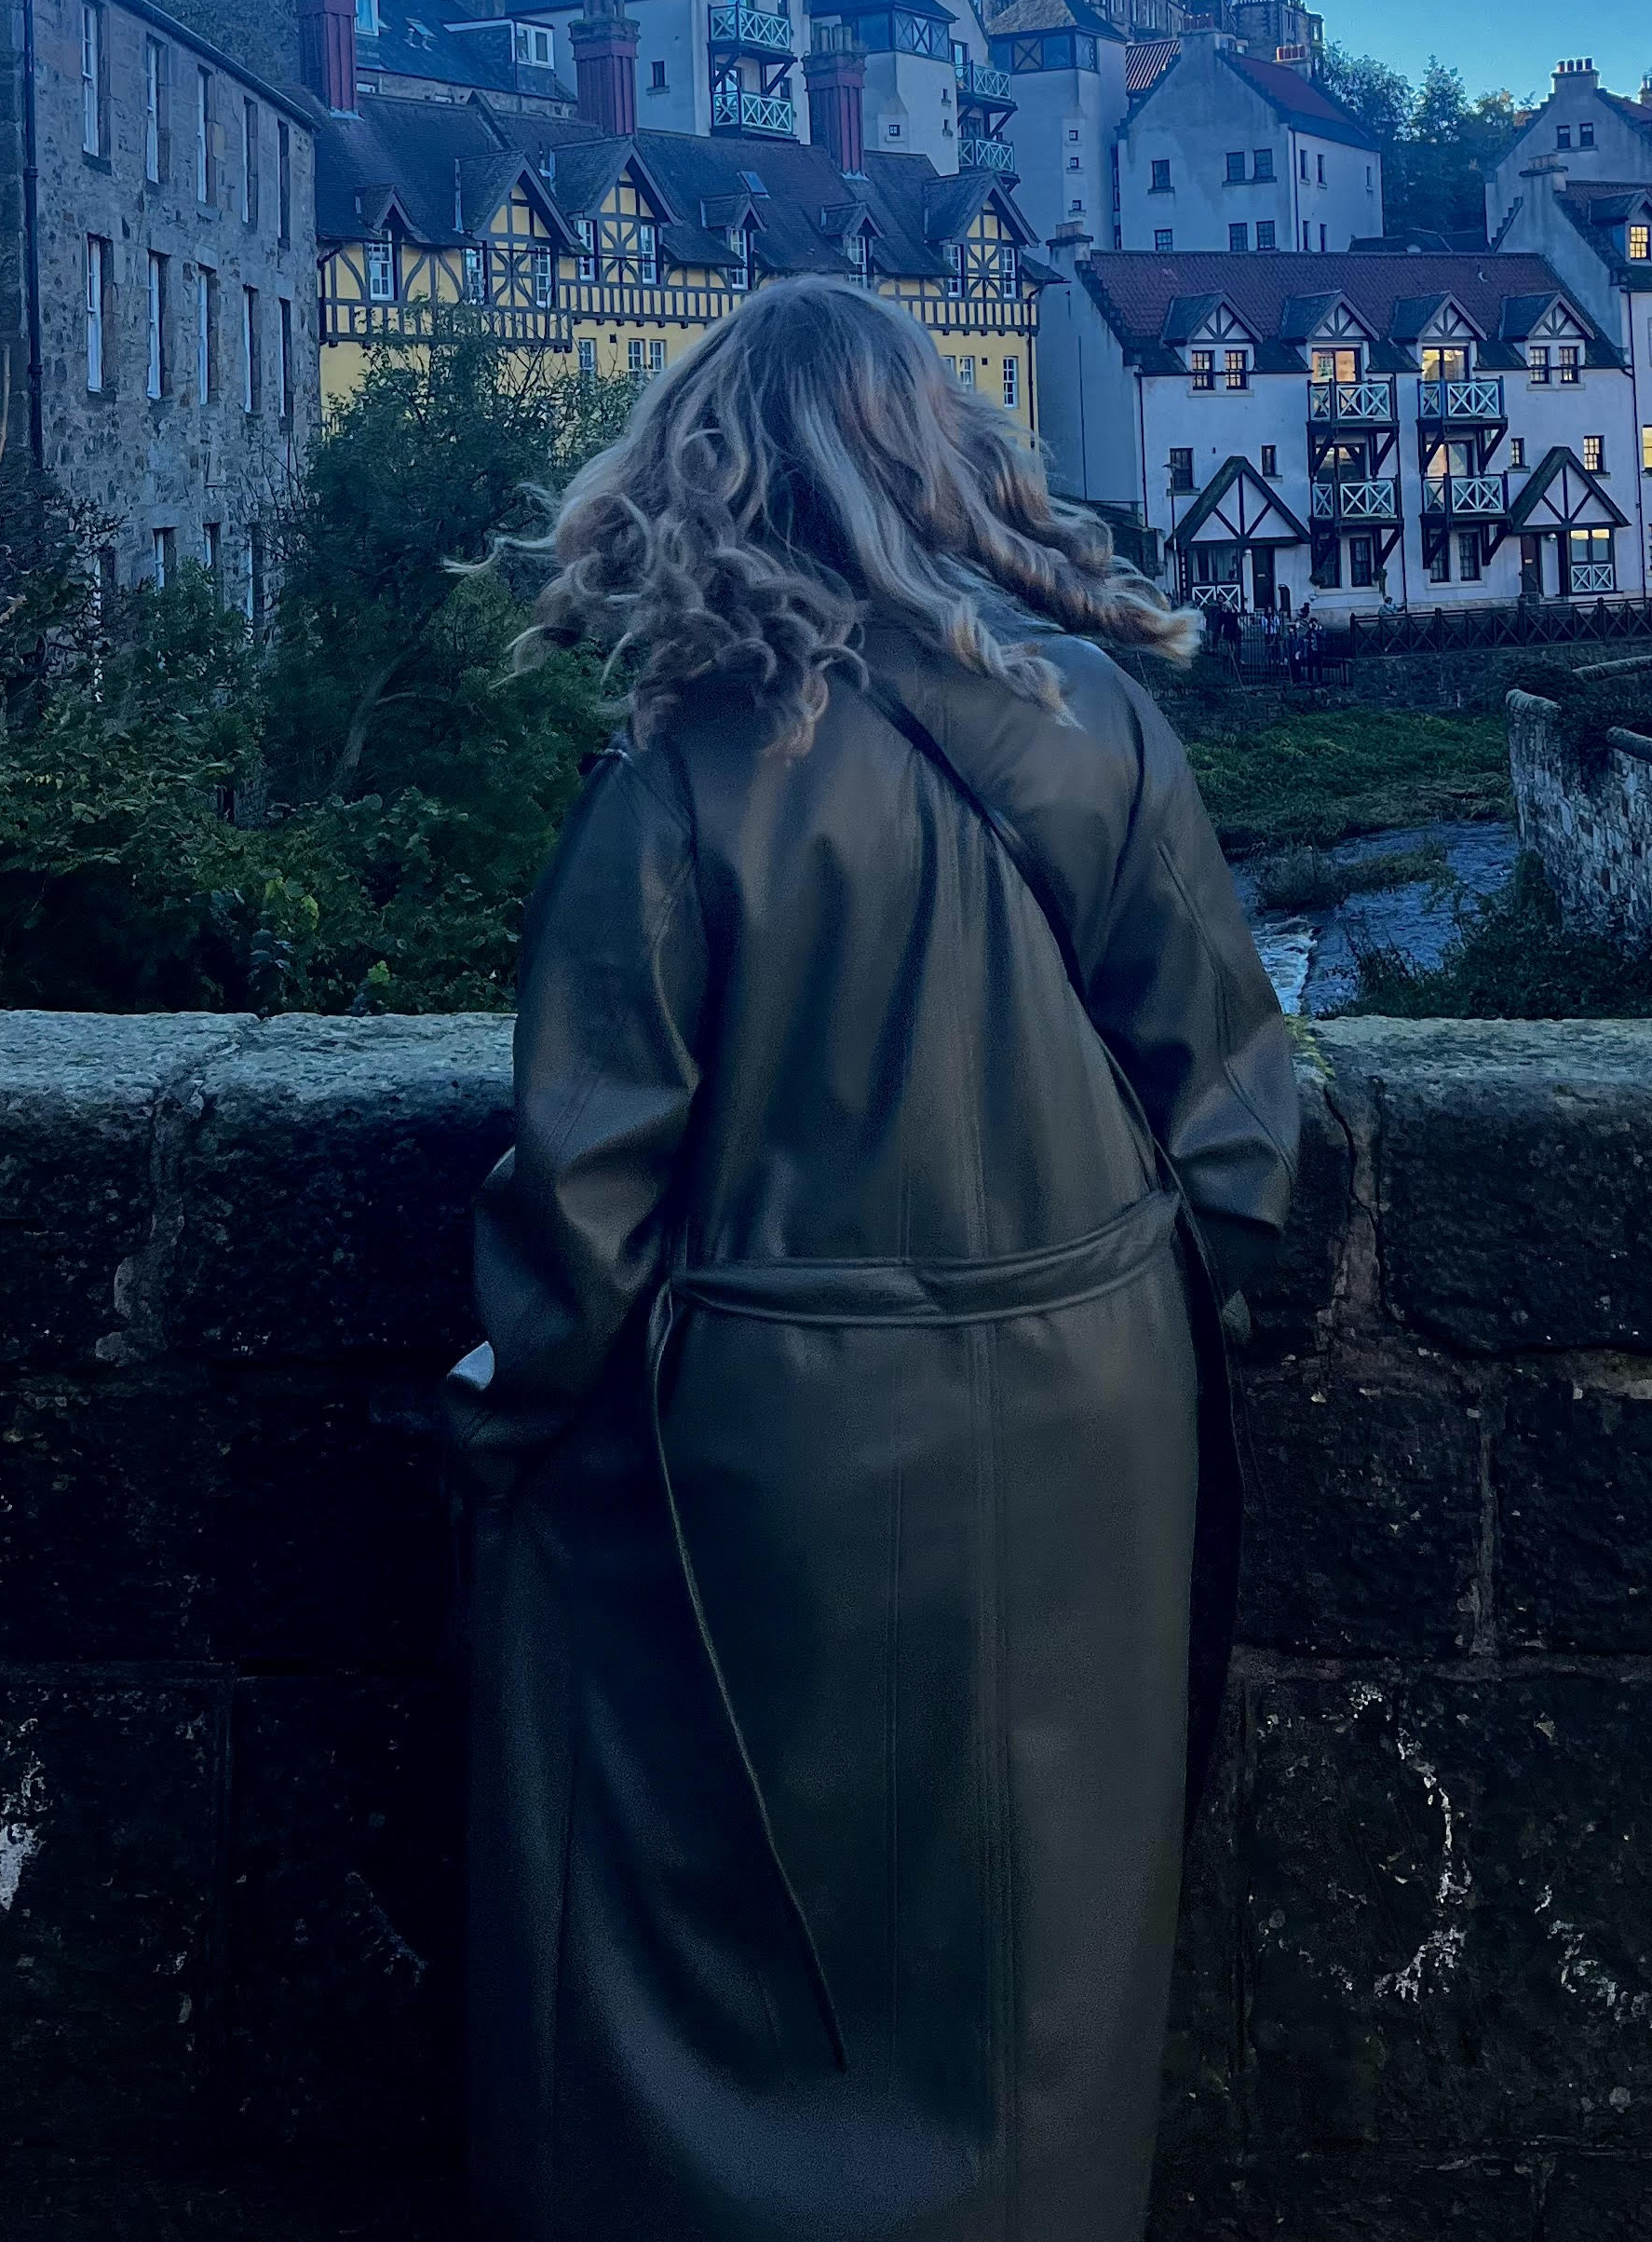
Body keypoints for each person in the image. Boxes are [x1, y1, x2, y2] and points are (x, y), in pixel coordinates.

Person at [447, 277, 1299, 2242]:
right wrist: (1124, 1314)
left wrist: (487, 1433)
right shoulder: (1102, 729)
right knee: (1042, 1971)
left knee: (693, 1948)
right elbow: (1242, 1126)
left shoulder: (676, 779)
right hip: (1094, 1415)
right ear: (949, 463)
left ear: (700, 479)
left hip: (764, 1454)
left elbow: (577, 1222)